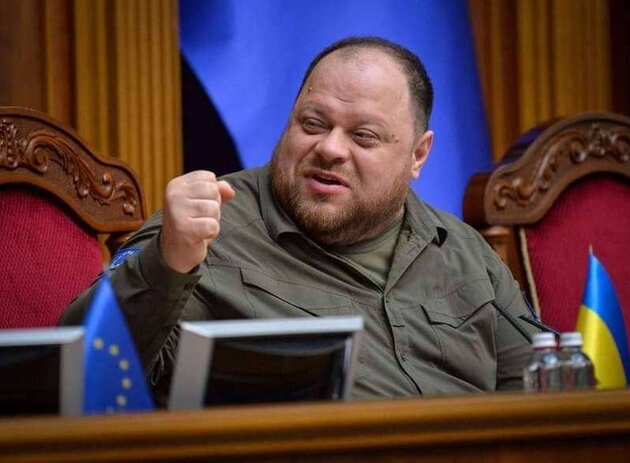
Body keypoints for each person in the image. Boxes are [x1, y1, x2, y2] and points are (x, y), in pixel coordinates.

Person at [60, 36, 534, 406]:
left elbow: (542, 390)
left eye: (363, 136)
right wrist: (166, 261)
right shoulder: (205, 231)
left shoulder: (463, 251)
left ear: (418, 154)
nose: (330, 148)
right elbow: (80, 375)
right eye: (312, 124)